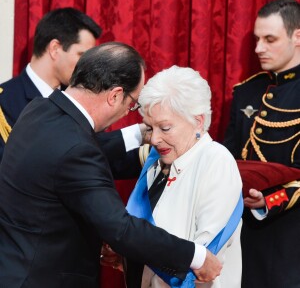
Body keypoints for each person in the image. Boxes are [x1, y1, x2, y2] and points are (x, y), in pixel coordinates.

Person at [0, 42, 222, 288]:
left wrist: (139, 134)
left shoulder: (39, 109)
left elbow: (69, 150)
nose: (129, 111)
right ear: (115, 95)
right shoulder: (76, 151)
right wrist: (195, 256)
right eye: (132, 104)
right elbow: (121, 229)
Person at [102, 65, 243, 287]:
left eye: (165, 128)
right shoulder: (156, 159)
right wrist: (127, 254)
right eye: (150, 128)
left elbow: (203, 259)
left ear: (197, 121)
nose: (154, 139)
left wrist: (136, 247)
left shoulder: (216, 161)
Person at [0, 7, 143, 164]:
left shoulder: (79, 99)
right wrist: (137, 134)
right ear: (55, 49)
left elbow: (96, 159)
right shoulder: (4, 102)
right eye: (82, 55)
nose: (89, 65)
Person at [223, 0, 300, 288]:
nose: (258, 49)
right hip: (243, 239)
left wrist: (269, 200)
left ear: (297, 37)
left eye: (270, 39)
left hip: (291, 241)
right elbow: (228, 156)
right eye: (257, 39)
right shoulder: (247, 92)